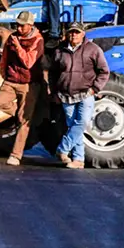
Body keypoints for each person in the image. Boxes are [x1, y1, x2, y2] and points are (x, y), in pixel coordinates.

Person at [49, 22, 110, 169]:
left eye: (76, 32)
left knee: (81, 123)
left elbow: (104, 71)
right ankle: (78, 160)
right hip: (66, 95)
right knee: (72, 126)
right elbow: (53, 73)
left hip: (86, 93)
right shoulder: (60, 51)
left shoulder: (93, 50)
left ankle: (63, 149)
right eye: (71, 32)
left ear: (83, 33)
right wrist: (55, 91)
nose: (73, 35)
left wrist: (94, 89)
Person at [0, 11, 45, 167]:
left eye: (22, 25)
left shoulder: (38, 40)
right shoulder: (12, 37)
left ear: (30, 25)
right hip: (11, 80)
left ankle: (16, 155)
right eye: (17, 24)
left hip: (28, 84)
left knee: (24, 122)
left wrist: (18, 47)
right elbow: (5, 55)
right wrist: (3, 71)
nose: (18, 27)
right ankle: (20, 115)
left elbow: (29, 62)